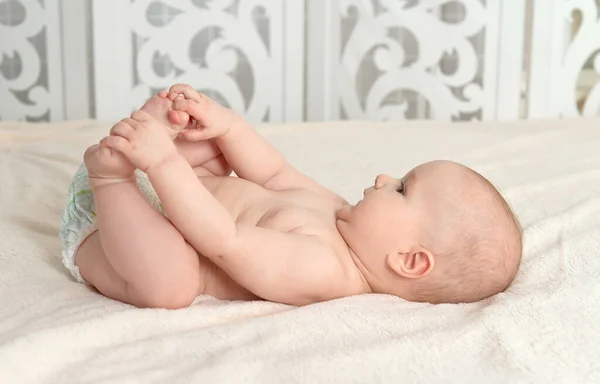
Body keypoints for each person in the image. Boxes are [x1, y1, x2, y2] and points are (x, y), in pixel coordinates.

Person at [59, 84, 522, 309]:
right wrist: (229, 127)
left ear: (409, 261)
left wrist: (162, 164)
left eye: (402, 188)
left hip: (115, 235)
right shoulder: (341, 214)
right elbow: (277, 173)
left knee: (173, 285)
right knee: (215, 153)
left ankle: (110, 176)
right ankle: (152, 138)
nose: (384, 177)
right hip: (165, 192)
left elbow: (223, 240)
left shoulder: (326, 271)